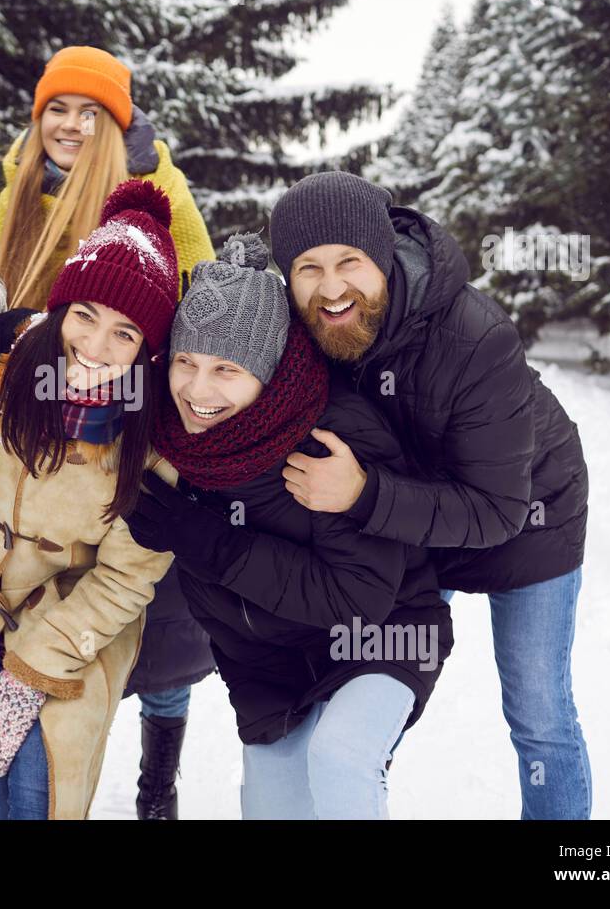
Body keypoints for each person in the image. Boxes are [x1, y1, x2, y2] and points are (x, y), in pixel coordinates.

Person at [270, 171, 590, 819]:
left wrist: (362, 496)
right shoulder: (307, 333)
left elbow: (498, 509)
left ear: (383, 256)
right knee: (366, 691)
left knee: (538, 710)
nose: (331, 288)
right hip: (405, 521)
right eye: (308, 268)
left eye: (349, 263)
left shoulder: (475, 337)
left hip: (528, 517)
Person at [124, 233, 451, 818]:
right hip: (269, 671)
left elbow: (357, 596)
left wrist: (206, 540)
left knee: (341, 758)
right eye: (186, 362)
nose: (198, 390)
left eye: (227, 369)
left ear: (269, 369)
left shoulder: (330, 435)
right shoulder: (171, 440)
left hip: (378, 639)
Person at [0, 43, 217, 818]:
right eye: (58, 108)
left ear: (119, 125)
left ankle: (158, 778)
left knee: (161, 631)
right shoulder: (19, 187)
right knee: (49, 606)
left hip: (138, 430)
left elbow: (201, 314)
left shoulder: (161, 193)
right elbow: (4, 301)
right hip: (42, 434)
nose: (72, 125)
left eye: (93, 112)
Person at [0, 180, 179, 819]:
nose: (94, 349)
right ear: (61, 309)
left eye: (124, 335)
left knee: (40, 788)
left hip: (79, 624)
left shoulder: (153, 439)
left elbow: (127, 579)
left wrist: (30, 669)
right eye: (86, 316)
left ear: (147, 351)